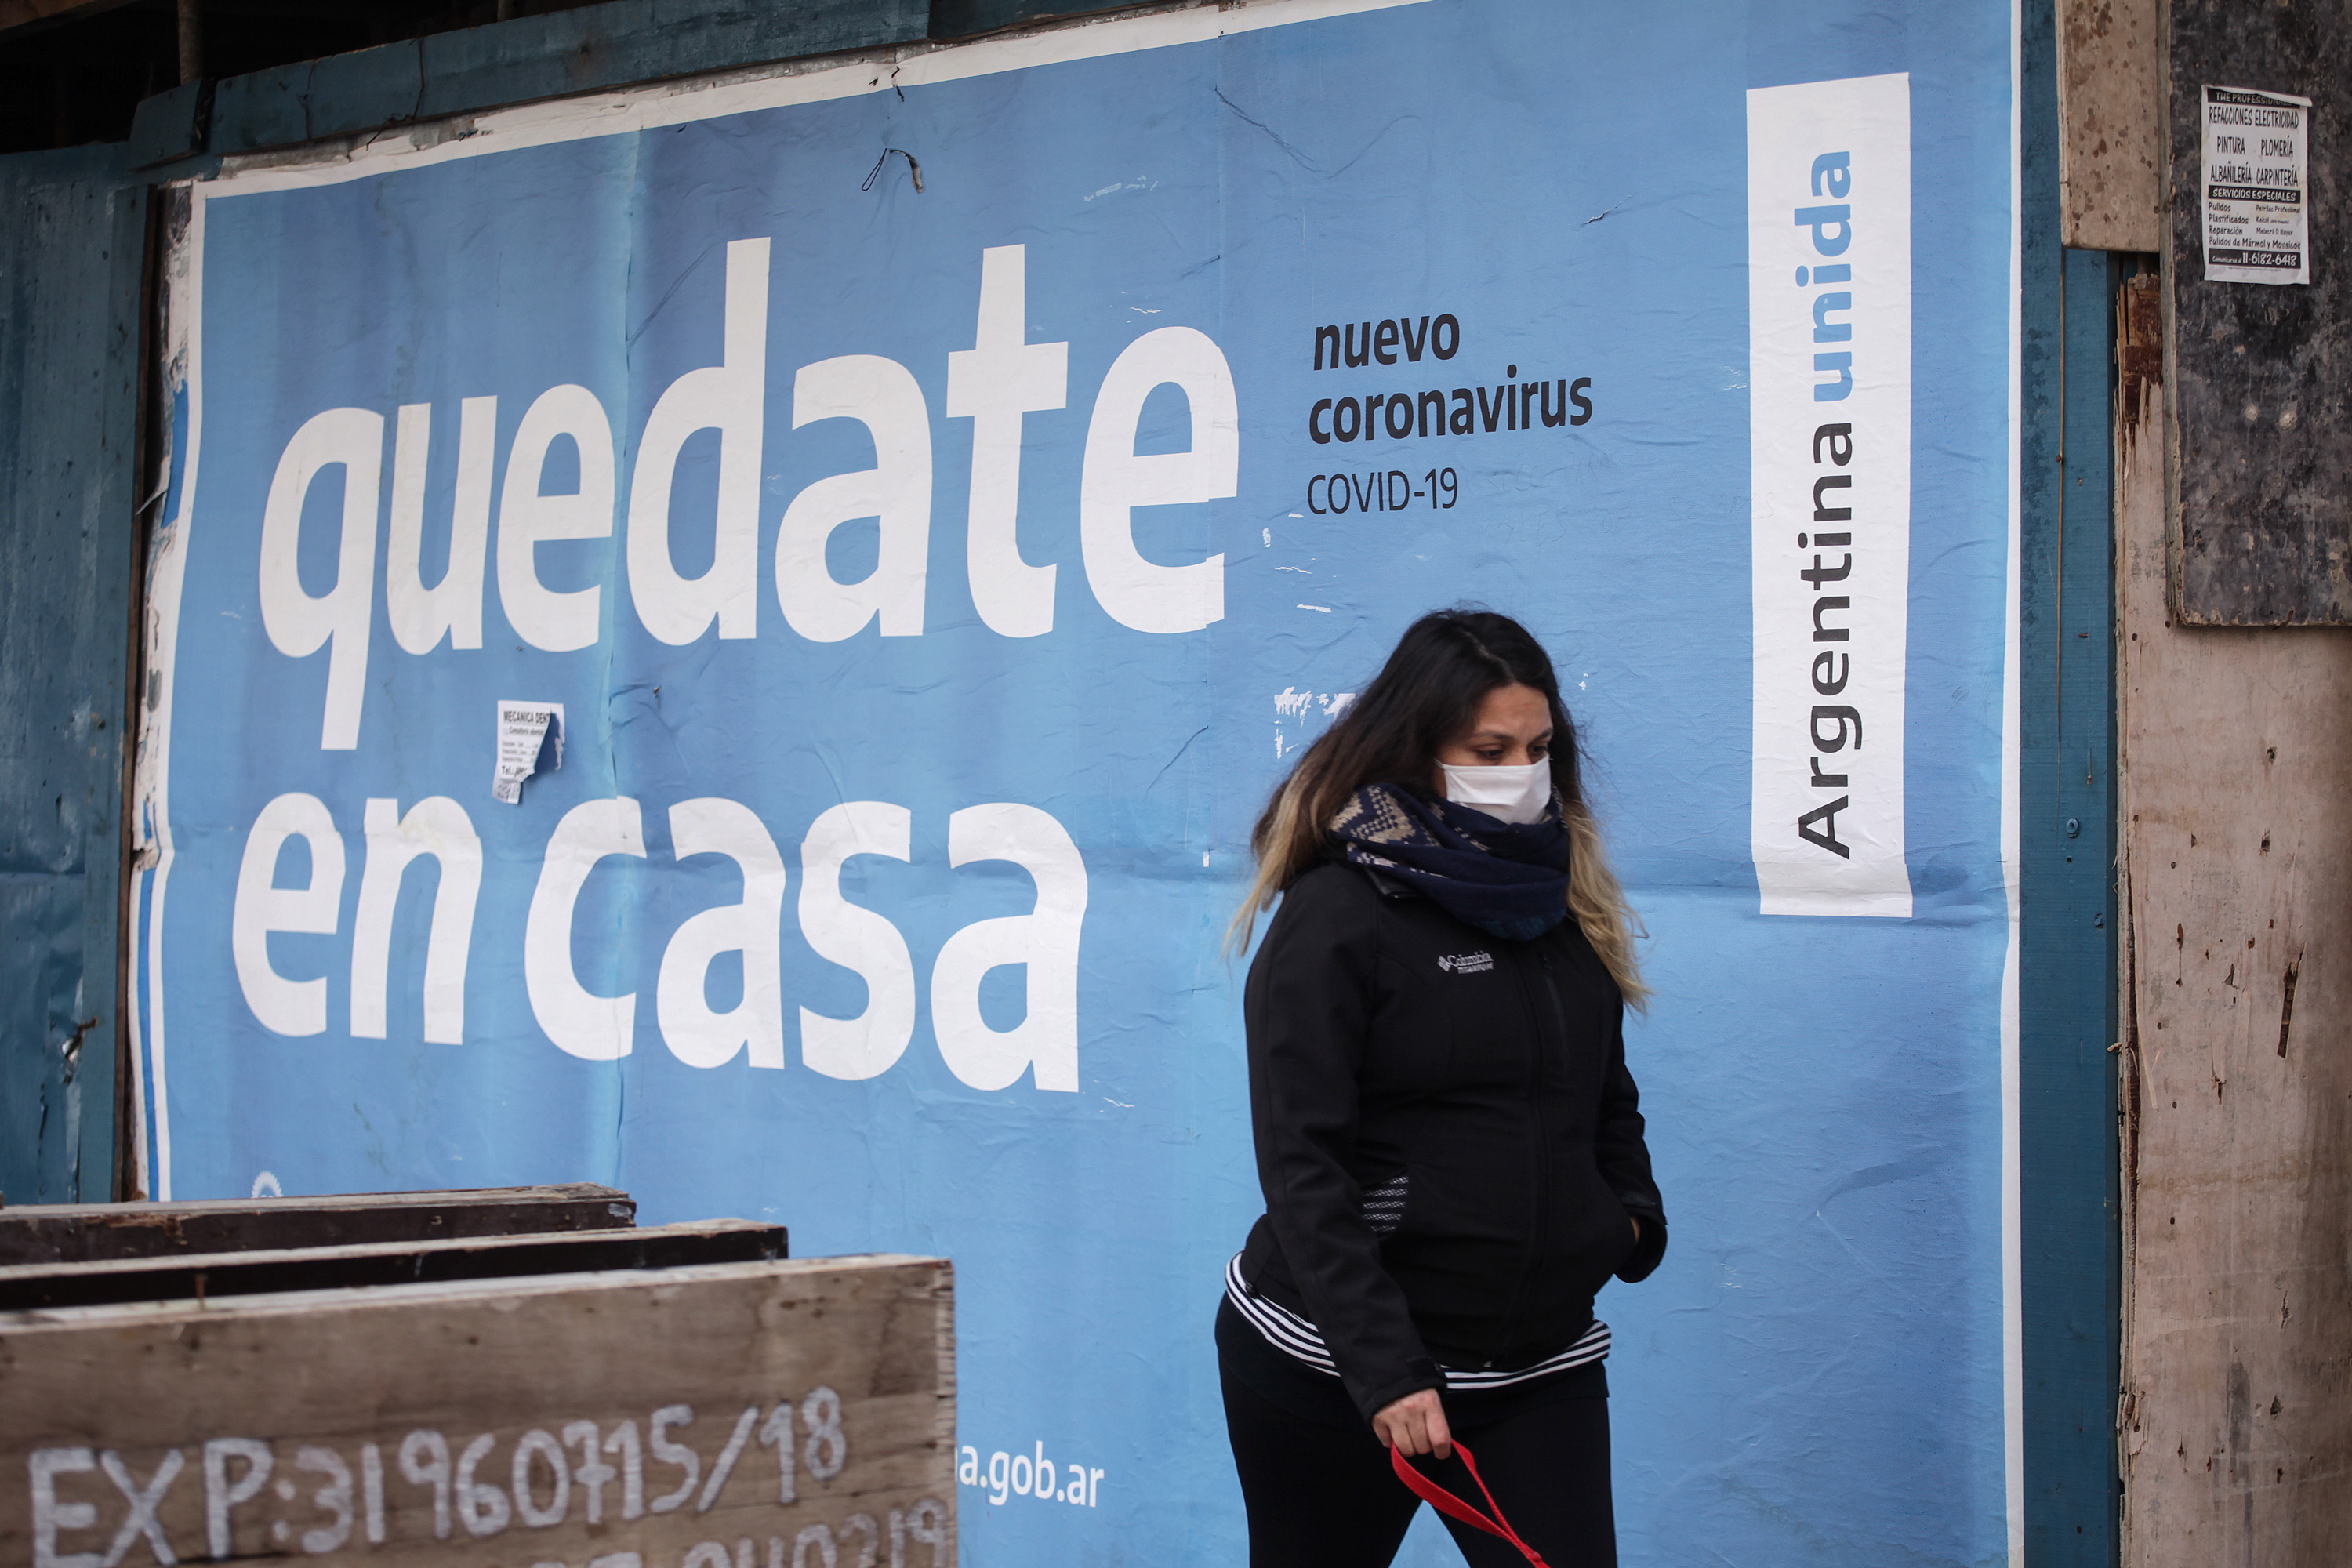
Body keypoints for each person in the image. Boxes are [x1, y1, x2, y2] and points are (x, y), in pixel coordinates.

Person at [1218, 608, 1667, 1567]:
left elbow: (1603, 1090)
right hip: (1337, 1370)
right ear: (1419, 750)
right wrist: (1383, 1371)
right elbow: (1303, 1160)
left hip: (1537, 1362)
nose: (1520, 772)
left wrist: (1628, 1214)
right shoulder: (1338, 912)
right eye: (1489, 748)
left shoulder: (1555, 896)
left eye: (1538, 747)